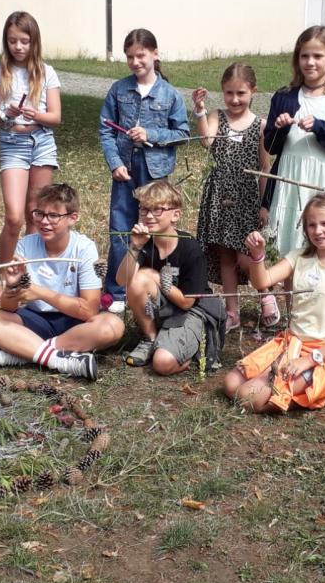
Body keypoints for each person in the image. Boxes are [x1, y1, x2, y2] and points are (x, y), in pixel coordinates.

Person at [222, 193, 325, 413]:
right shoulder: (299, 257)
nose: (318, 231)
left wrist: (309, 360)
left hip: (323, 355)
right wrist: (258, 255)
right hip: (291, 344)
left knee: (247, 397)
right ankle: (278, 382)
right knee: (231, 384)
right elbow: (261, 281)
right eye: (311, 225)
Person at [0, 184, 124, 380]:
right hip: (34, 319)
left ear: (72, 218)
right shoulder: (25, 245)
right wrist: (11, 286)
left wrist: (40, 292)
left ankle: (24, 353)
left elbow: (89, 311)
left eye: (53, 216)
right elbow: (8, 308)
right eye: (39, 214)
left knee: (112, 326)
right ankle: (57, 358)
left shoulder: (84, 248)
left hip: (74, 323)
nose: (44, 221)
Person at [98, 28, 189, 312]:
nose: (135, 62)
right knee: (121, 225)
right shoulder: (119, 89)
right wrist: (115, 163)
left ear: (155, 54)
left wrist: (150, 133)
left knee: (154, 226)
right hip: (125, 168)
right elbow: (105, 129)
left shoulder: (170, 94)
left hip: (155, 172)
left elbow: (183, 133)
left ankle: (151, 286)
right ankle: (117, 292)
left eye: (141, 56)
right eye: (129, 57)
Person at [261, 26, 325, 256]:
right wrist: (280, 128)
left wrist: (320, 128)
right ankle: (287, 291)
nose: (310, 62)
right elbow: (271, 146)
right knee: (285, 246)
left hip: (322, 180)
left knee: (320, 245)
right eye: (304, 55)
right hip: (288, 178)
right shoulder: (284, 96)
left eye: (318, 56)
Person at [191, 62, 272, 332]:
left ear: (253, 92)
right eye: (229, 93)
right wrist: (200, 111)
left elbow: (265, 167)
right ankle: (232, 311)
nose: (235, 99)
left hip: (247, 197)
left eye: (241, 93)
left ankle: (266, 295)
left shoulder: (261, 125)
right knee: (225, 255)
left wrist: (264, 204)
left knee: (246, 253)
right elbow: (206, 140)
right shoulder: (217, 116)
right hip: (220, 197)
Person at [118, 180, 225, 375]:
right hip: (165, 308)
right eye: (144, 210)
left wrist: (156, 278)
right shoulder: (145, 242)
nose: (149, 216)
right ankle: (151, 339)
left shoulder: (190, 249)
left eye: (158, 210)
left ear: (175, 214)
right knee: (138, 279)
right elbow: (122, 281)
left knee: (162, 363)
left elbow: (186, 303)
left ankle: (189, 353)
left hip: (192, 312)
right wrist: (135, 247)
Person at [0, 11, 63, 263]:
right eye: (12, 40)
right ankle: (5, 273)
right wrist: (5, 113)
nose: (18, 46)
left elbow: (55, 117)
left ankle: (28, 271)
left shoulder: (46, 72)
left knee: (35, 214)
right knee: (14, 217)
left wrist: (36, 114)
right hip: (12, 144)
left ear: (34, 42)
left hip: (41, 143)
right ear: (5, 41)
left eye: (24, 41)